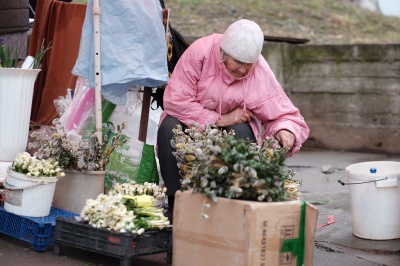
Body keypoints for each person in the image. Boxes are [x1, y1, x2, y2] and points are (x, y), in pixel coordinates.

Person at [157, 19, 310, 222]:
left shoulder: (258, 71)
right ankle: (176, 204)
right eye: (238, 62)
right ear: (223, 54)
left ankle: (233, 205)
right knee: (169, 127)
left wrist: (286, 130)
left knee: (242, 130)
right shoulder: (200, 52)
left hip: (226, 136)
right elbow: (175, 100)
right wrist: (220, 119)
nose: (244, 70)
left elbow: (286, 114)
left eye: (249, 64)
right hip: (191, 127)